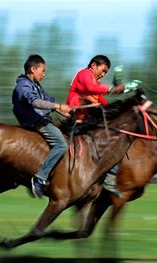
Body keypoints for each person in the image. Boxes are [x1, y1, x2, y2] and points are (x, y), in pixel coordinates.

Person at [12, 54, 72, 198]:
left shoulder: (36, 85)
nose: (44, 74)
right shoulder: (23, 85)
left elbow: (48, 101)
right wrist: (57, 105)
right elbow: (36, 102)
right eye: (42, 70)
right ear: (33, 69)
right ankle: (40, 178)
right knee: (61, 145)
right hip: (36, 122)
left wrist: (68, 113)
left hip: (41, 120)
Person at [66, 55, 125, 196]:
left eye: (106, 73)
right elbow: (92, 87)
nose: (103, 74)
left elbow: (102, 102)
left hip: (86, 118)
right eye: (103, 70)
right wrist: (113, 89)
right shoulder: (84, 74)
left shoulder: (92, 79)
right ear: (93, 65)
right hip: (79, 118)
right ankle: (109, 178)